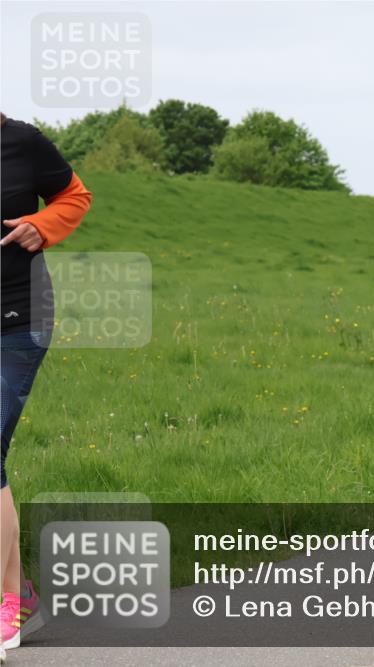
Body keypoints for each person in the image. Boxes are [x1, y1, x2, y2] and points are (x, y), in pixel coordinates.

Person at [0, 112, 92, 655]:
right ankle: (19, 598)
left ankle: (7, 607)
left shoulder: (22, 142)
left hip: (17, 319)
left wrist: (46, 224)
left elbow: (74, 196)